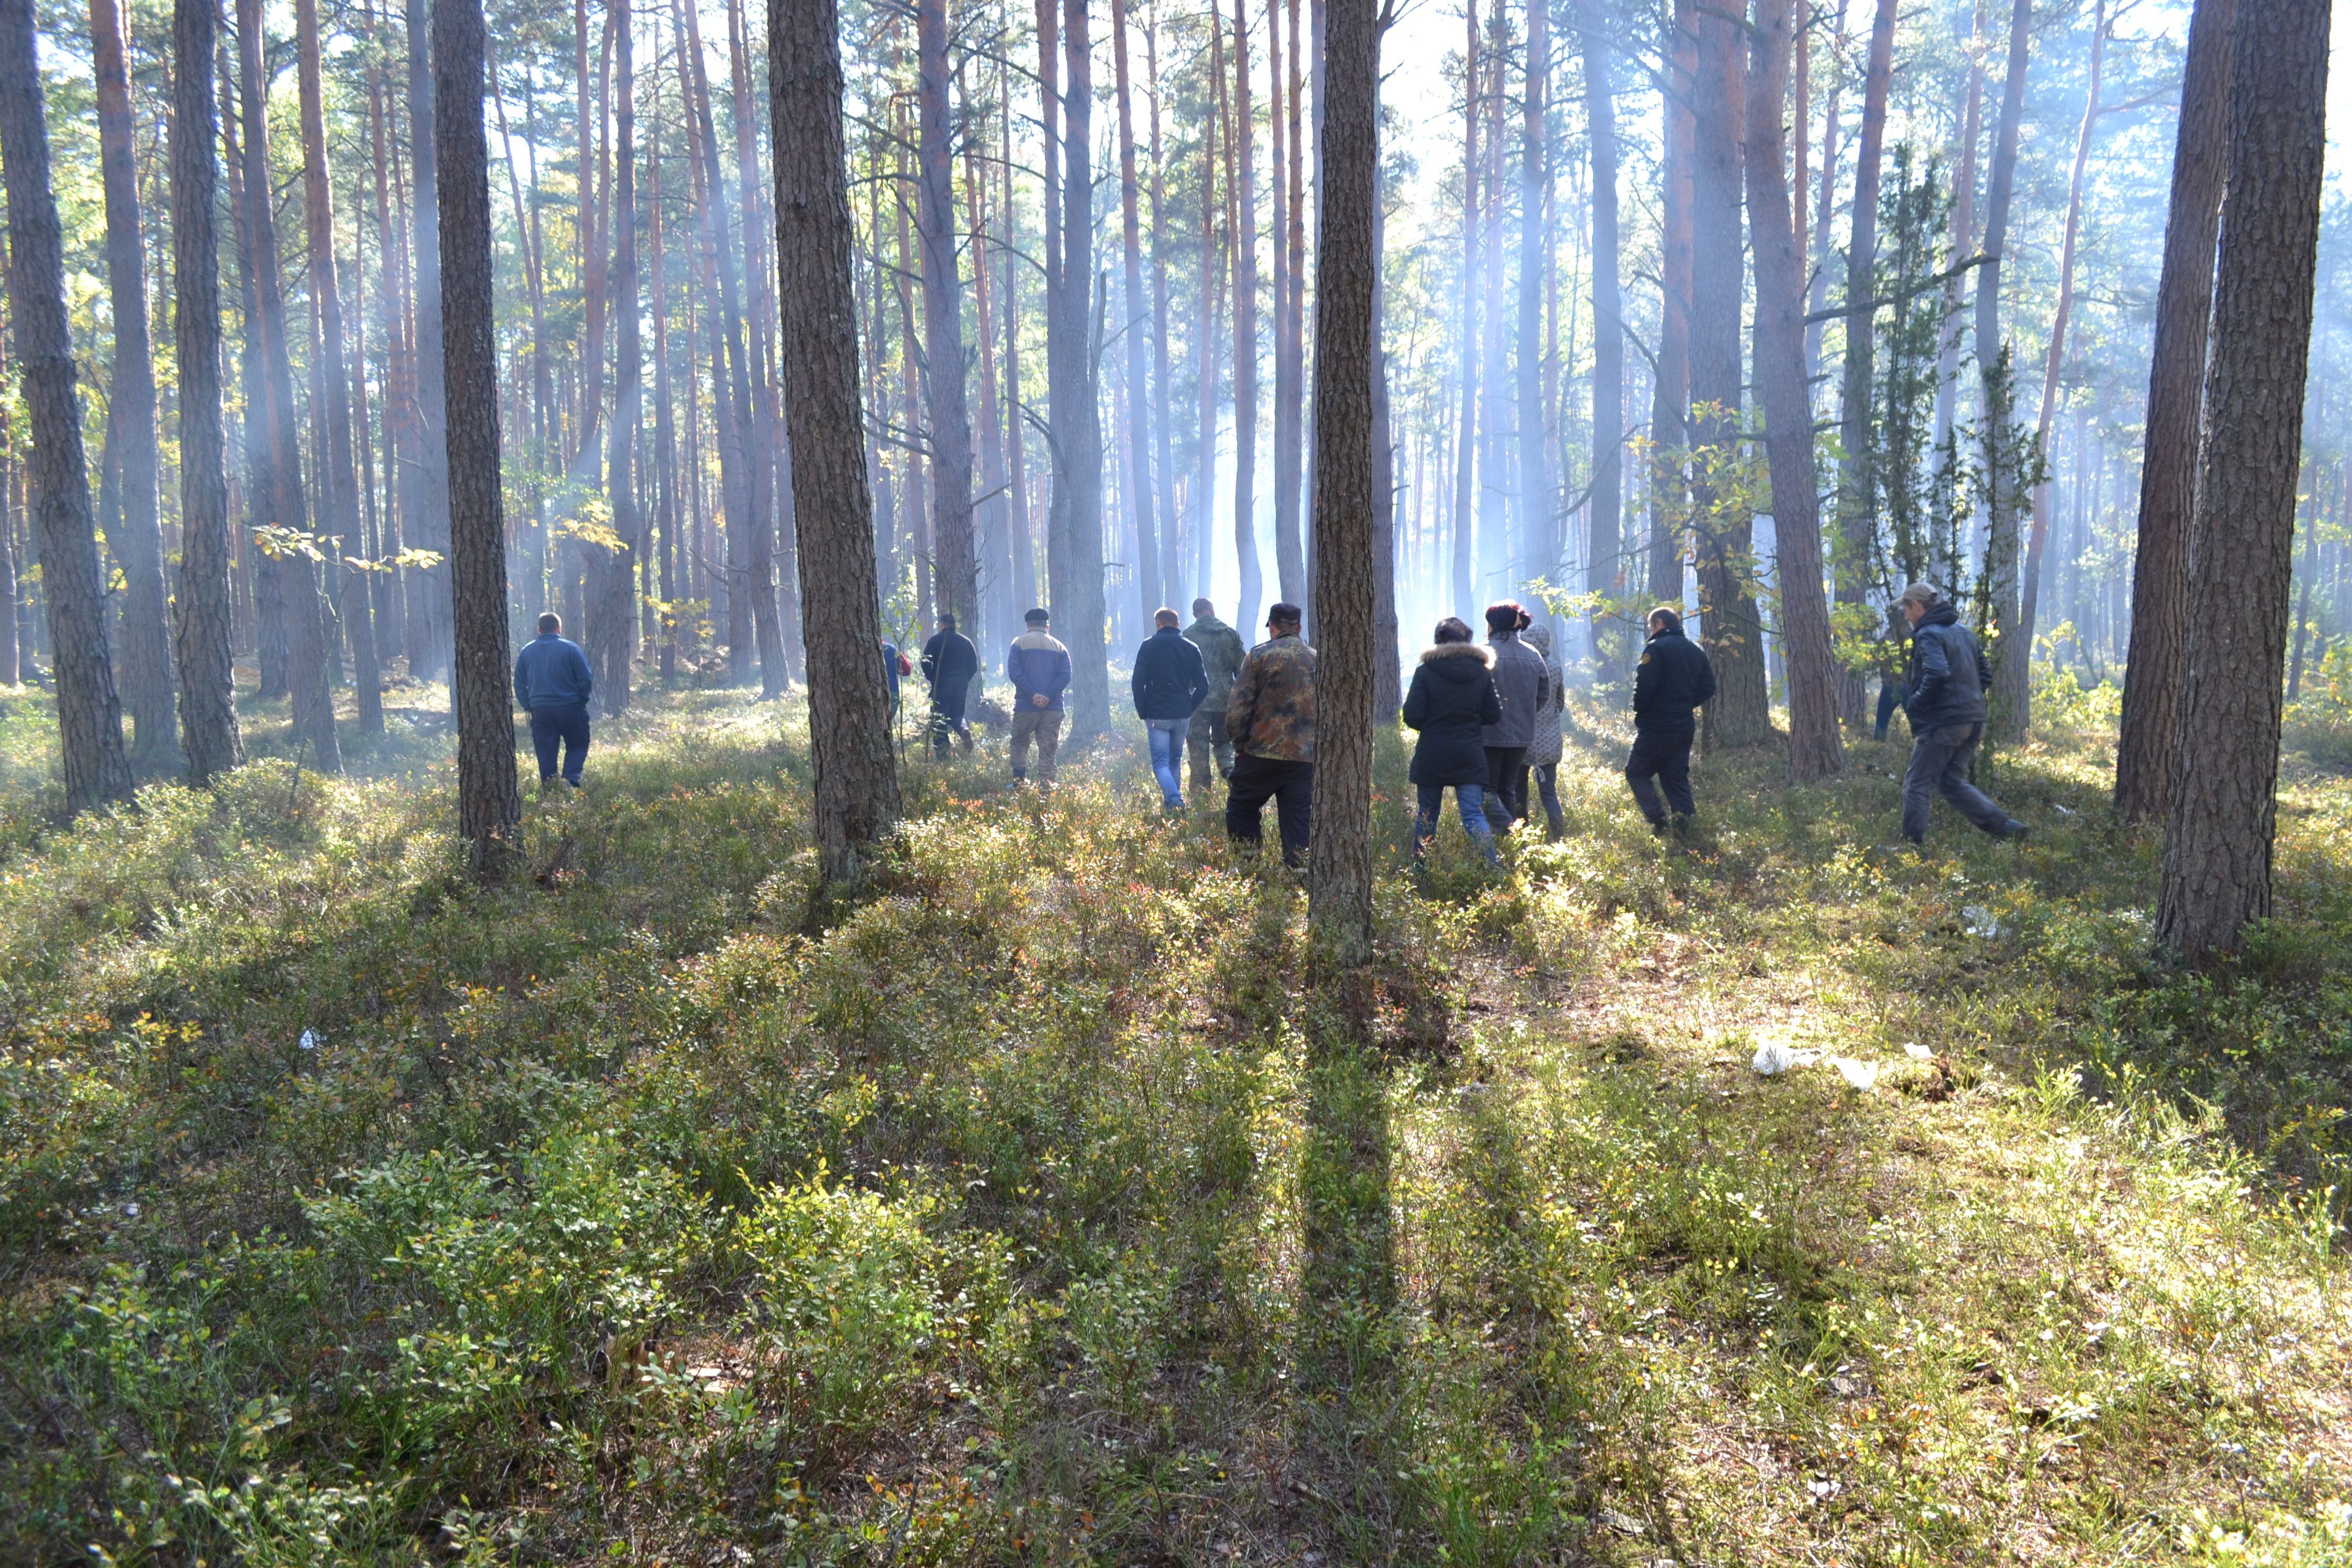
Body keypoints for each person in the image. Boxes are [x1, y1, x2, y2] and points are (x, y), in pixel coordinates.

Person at [1895, 582, 2028, 845]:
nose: (1906, 616)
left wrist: (1917, 703)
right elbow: (1985, 676)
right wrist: (1969, 701)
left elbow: (1937, 672)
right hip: (1974, 720)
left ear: (1918, 606)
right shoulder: (1965, 632)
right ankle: (2006, 828)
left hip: (1945, 723)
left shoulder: (1928, 635)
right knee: (1949, 781)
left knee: (1916, 783)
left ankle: (1910, 850)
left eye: (1906, 609)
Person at [1402, 617, 1503, 867]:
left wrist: (1432, 726)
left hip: (1432, 752)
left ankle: (1421, 871)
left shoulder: (1425, 672)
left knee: (1427, 815)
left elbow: (1412, 715)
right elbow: (1494, 714)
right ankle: (1492, 869)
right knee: (1472, 814)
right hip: (1469, 752)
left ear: (1438, 641)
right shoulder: (1481, 672)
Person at [1224, 601, 1316, 866]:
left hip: (1260, 754)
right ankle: (1298, 874)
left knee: (1241, 807)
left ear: (1272, 627)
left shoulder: (1258, 657)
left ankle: (1249, 865)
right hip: (1304, 758)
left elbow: (1237, 709)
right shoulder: (1316, 659)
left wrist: (1240, 745)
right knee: (1298, 817)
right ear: (1298, 628)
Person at [1627, 605, 1714, 834]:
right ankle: (1686, 828)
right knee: (1675, 776)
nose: (1650, 631)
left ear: (1660, 624)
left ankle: (1659, 821)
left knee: (1636, 772)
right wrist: (1684, 704)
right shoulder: (1695, 650)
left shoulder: (1656, 650)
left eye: (1650, 626)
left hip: (1658, 726)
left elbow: (1644, 688)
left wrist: (1642, 711)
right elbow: (1709, 687)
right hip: (1684, 726)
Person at [1131, 607, 1211, 810]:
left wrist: (1144, 711)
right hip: (1182, 714)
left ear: (1158, 624)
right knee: (1175, 762)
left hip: (1157, 714)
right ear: (1178, 625)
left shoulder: (1148, 646)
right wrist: (1189, 707)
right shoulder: (1192, 647)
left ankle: (1175, 802)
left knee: (1160, 765)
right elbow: (1204, 686)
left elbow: (1137, 682)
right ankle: (1172, 809)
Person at [1479, 601, 1549, 832]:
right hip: (1521, 734)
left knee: (1486, 790)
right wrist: (1523, 714)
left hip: (1489, 734)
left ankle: (1505, 833)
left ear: (1493, 624)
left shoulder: (1483, 653)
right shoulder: (1534, 654)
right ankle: (1510, 844)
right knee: (1507, 789)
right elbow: (1543, 696)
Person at [514, 611, 594, 788]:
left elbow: (519, 682)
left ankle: (550, 788)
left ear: (539, 630)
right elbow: (585, 678)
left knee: (546, 752)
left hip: (540, 710)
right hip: (571, 708)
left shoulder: (527, 651)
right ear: (559, 628)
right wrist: (582, 700)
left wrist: (528, 704)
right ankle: (570, 780)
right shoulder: (571, 648)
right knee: (578, 744)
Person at [1183, 597, 1246, 789]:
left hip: (1198, 700)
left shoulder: (1187, 636)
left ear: (1195, 614)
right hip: (1227, 699)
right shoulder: (1231, 635)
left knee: (1198, 743)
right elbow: (1242, 671)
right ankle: (1230, 774)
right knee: (1224, 742)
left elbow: (1183, 671)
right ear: (1212, 609)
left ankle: (1201, 790)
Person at [1006, 607, 1072, 787]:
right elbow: (1066, 675)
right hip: (1053, 708)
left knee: (1019, 744)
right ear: (1047, 627)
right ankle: (1047, 787)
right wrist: (1048, 696)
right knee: (1048, 749)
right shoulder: (1060, 647)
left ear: (1028, 625)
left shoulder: (1018, 644)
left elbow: (1015, 673)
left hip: (1026, 707)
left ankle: (1019, 784)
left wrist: (1032, 695)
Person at [1522, 624, 1569, 839]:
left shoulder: (1523, 665)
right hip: (1549, 740)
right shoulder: (1555, 667)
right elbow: (1560, 703)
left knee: (1518, 791)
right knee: (1549, 793)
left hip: (1522, 739)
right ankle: (1558, 836)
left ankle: (1520, 834)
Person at [920, 612, 980, 756]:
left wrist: (933, 678)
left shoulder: (935, 641)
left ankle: (942, 754)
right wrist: (964, 680)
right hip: (960, 686)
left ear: (942, 625)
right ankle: (964, 730)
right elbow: (973, 666)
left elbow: (925, 662)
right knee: (957, 714)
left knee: (939, 718)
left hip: (941, 686)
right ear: (955, 625)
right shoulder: (966, 642)